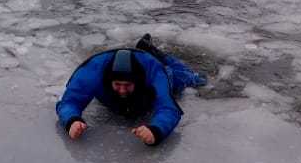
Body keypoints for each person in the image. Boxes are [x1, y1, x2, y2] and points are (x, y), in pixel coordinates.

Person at [55, 34, 206, 146]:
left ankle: (157, 53)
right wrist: (72, 121)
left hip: (152, 66)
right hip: (118, 68)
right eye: (118, 84)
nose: (122, 90)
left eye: (127, 85)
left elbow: (168, 108)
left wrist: (156, 130)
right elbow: (69, 102)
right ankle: (145, 51)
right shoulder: (92, 71)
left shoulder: (155, 73)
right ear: (109, 81)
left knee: (188, 77)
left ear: (137, 82)